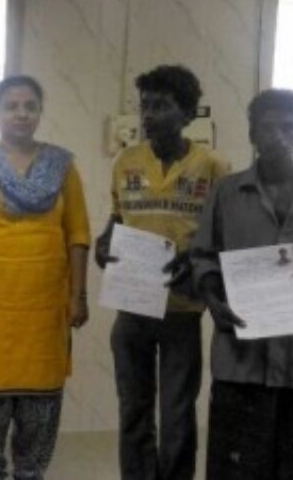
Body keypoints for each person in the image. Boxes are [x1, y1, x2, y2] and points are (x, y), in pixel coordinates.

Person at [0, 75, 90, 480]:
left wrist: (78, 295)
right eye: (11, 106)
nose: (21, 114)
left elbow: (78, 235)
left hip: (44, 315)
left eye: (30, 106)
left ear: (40, 112)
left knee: (38, 422)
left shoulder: (62, 166)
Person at [94, 65, 229, 480]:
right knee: (133, 410)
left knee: (177, 414)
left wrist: (194, 258)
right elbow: (118, 218)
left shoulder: (213, 166)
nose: (149, 115)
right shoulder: (126, 161)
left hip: (182, 309)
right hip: (132, 307)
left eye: (162, 106)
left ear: (187, 114)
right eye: (145, 106)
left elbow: (224, 234)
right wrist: (104, 243)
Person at [190, 88, 293, 479]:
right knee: (236, 467)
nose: (279, 136)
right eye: (269, 127)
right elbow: (203, 256)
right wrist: (213, 301)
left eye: (289, 127)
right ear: (252, 135)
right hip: (241, 359)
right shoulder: (226, 193)